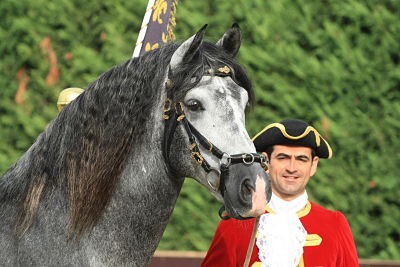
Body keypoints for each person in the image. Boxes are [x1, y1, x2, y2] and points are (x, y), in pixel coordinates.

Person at [201, 119, 358, 267]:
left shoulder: (335, 224)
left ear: (313, 165)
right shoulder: (235, 225)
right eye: (283, 158)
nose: (292, 167)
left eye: (302, 159)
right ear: (266, 162)